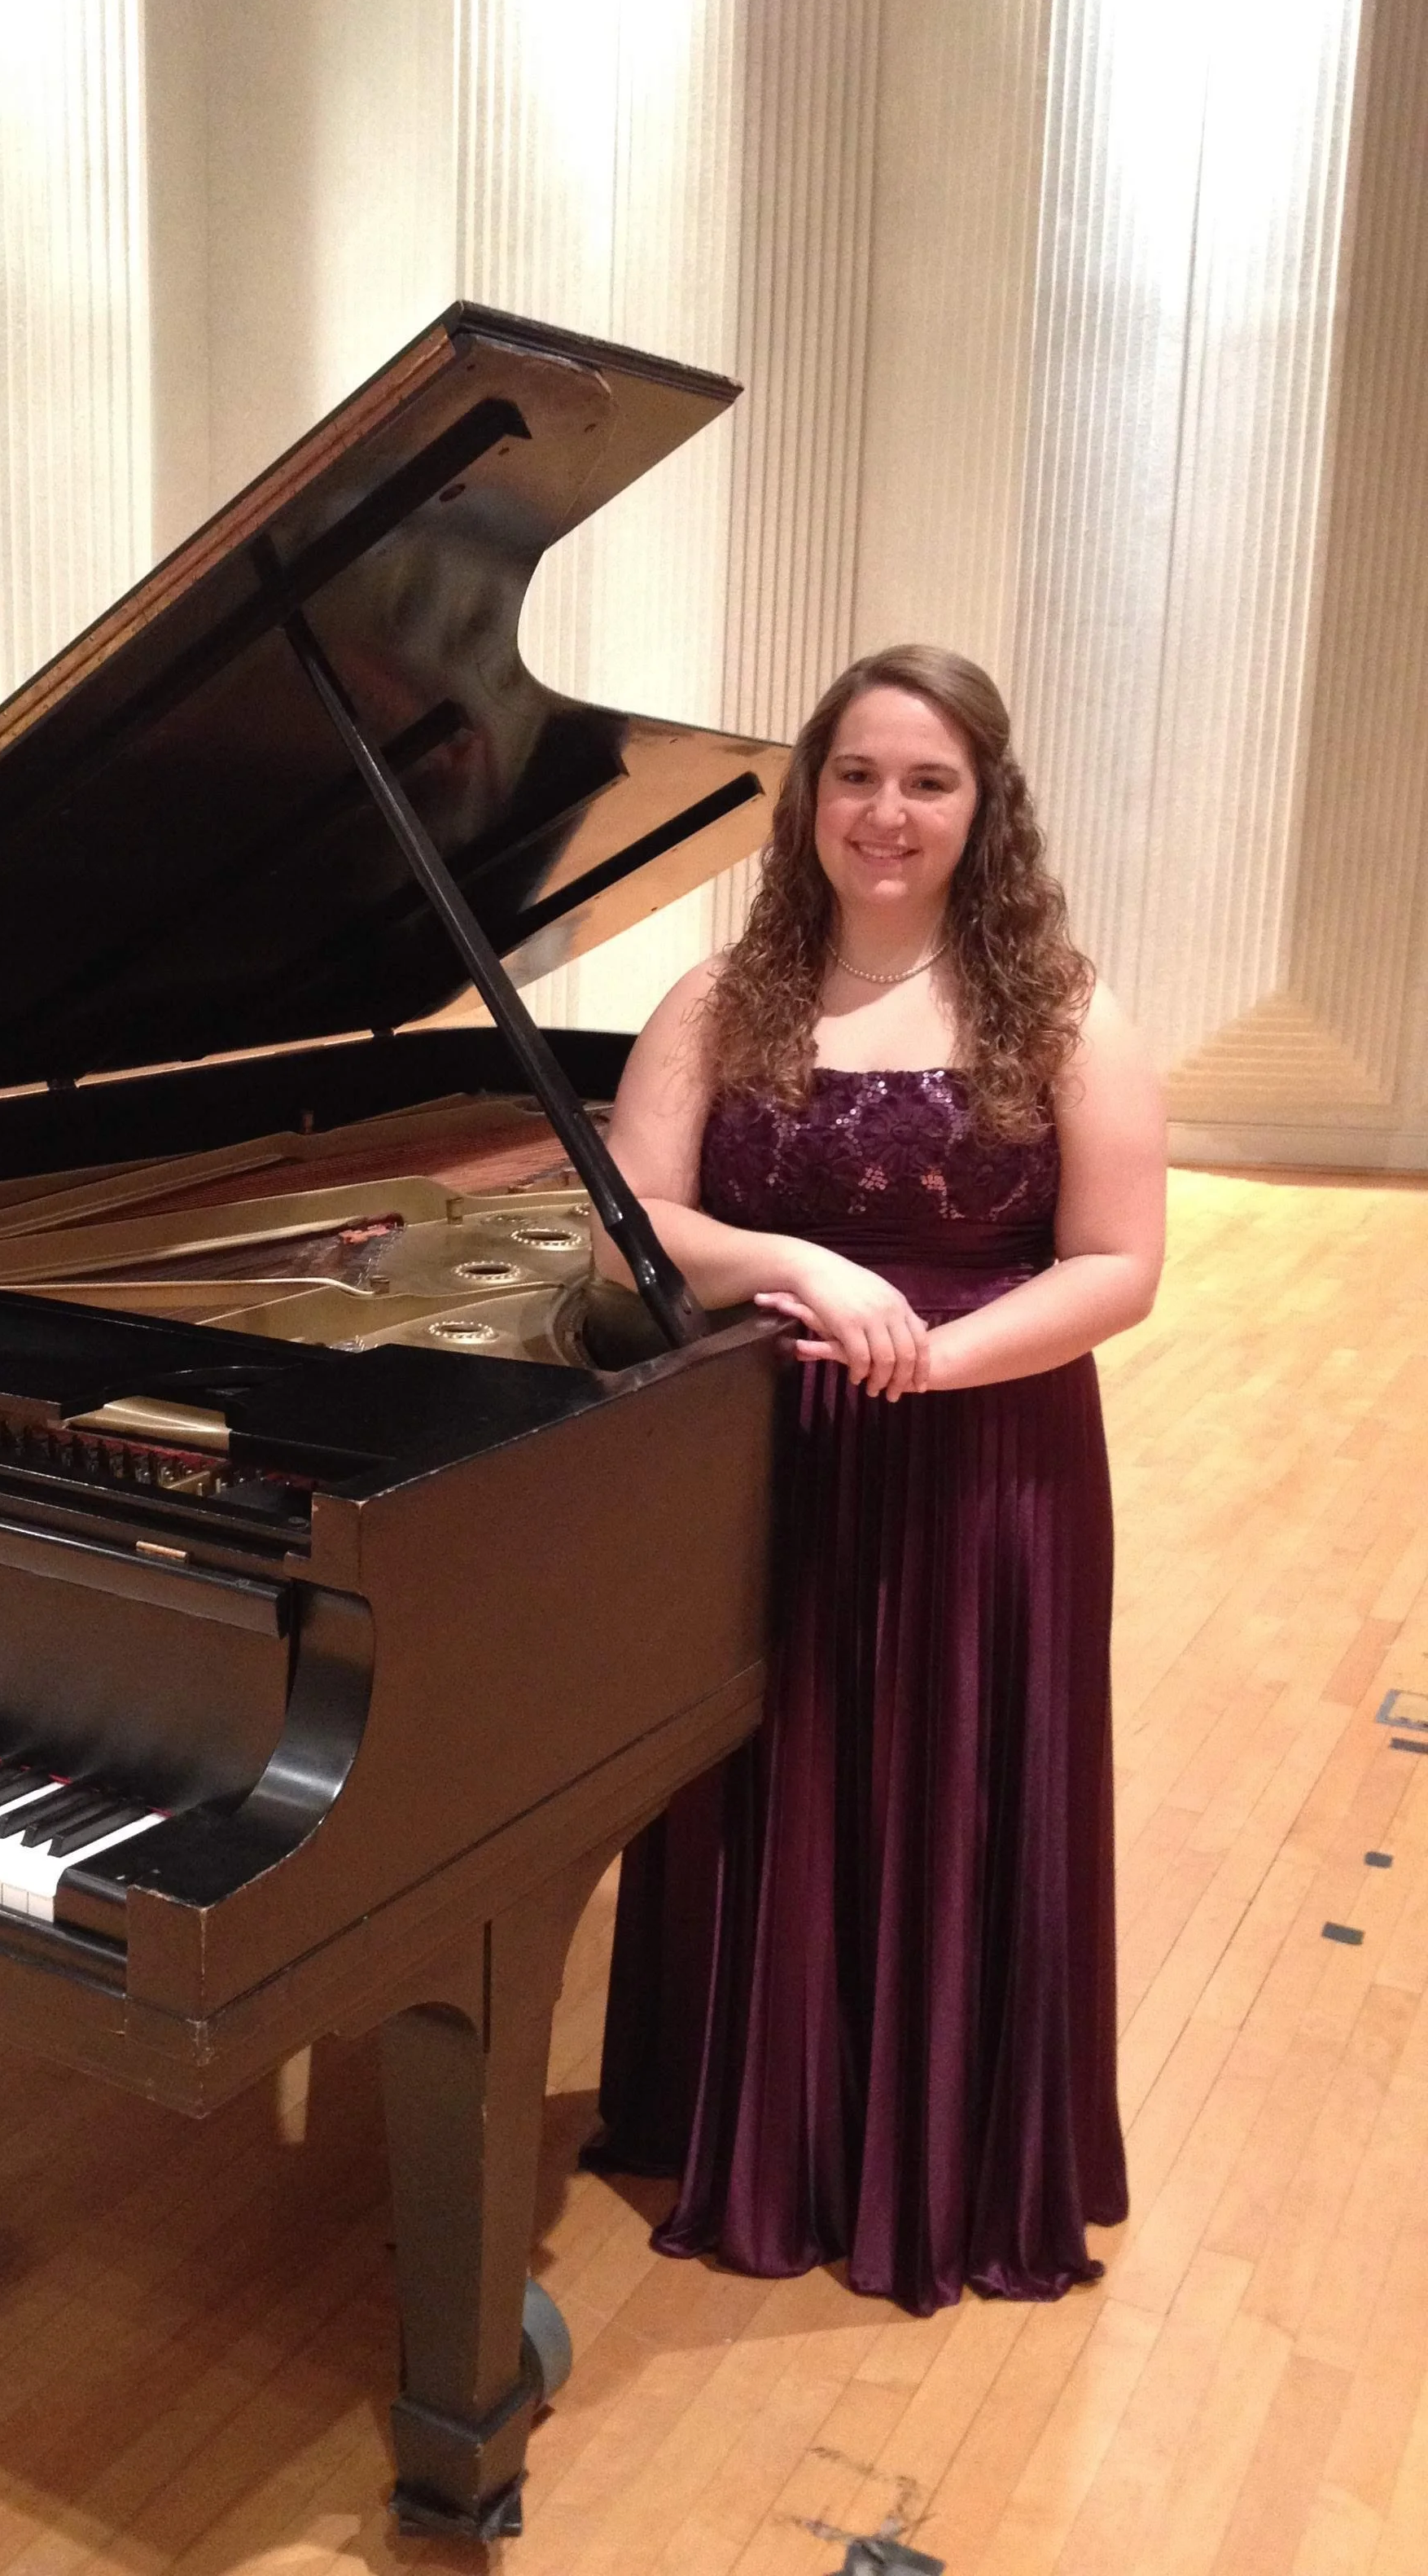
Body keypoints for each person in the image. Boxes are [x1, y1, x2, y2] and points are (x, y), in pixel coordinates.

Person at [585, 643, 1165, 2316]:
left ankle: (940, 2155)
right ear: (810, 796)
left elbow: (1119, 1264)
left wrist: (934, 1357)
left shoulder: (1059, 1008)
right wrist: (796, 1261)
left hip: (988, 1458)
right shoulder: (727, 996)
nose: (886, 813)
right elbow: (641, 1220)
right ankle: (748, 2123)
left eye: (928, 781)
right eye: (856, 775)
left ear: (985, 807)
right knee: (771, 1770)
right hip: (768, 1452)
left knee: (950, 1778)